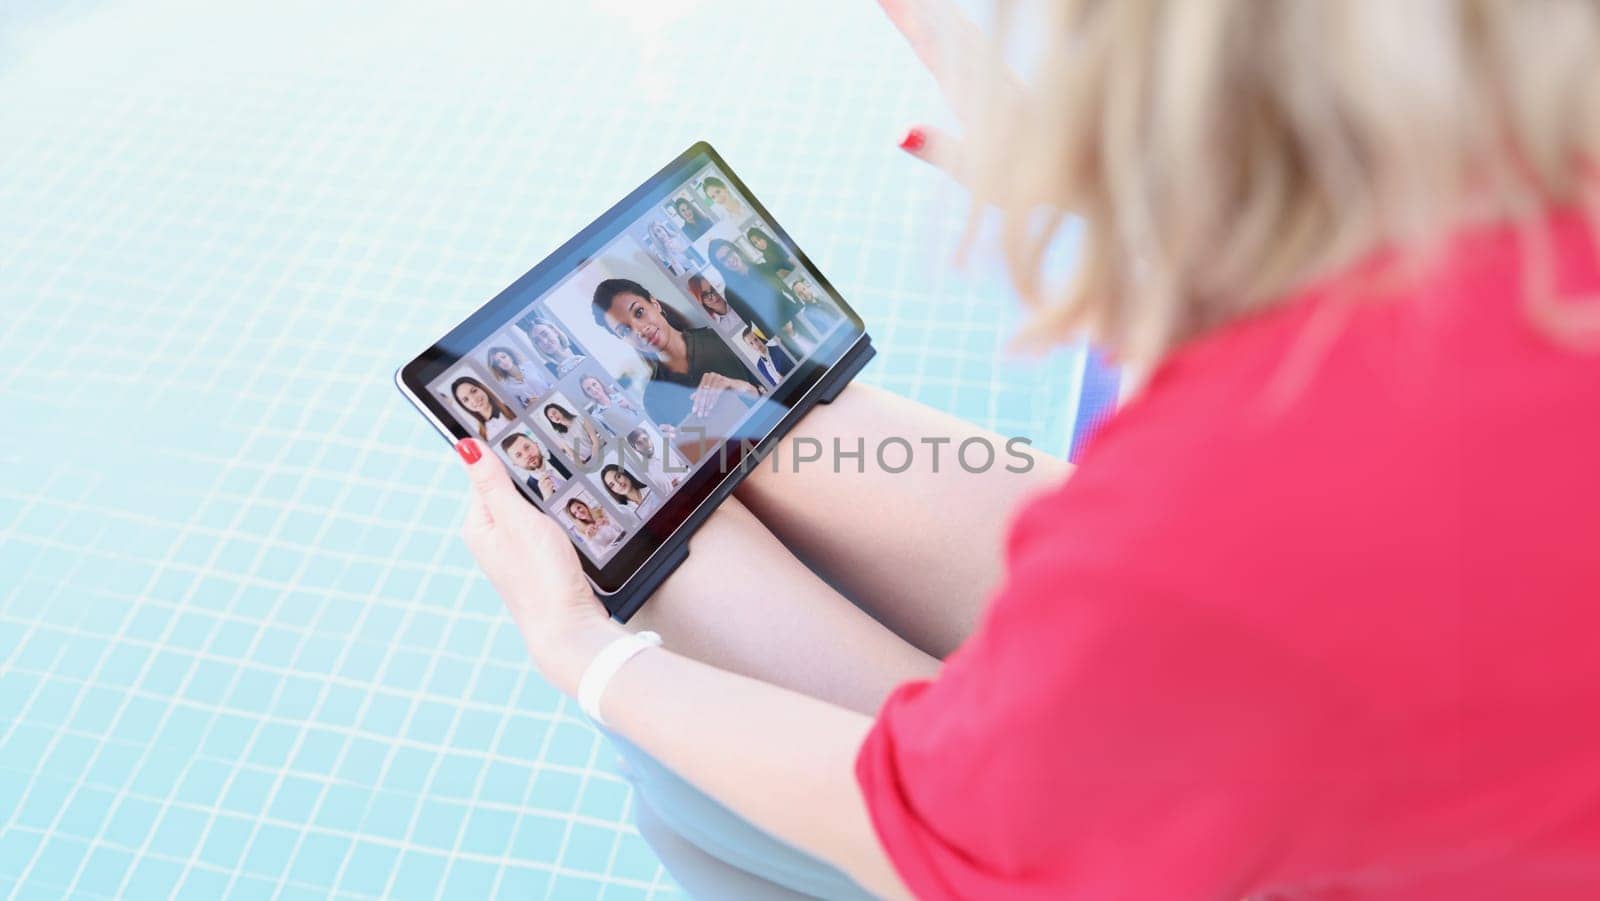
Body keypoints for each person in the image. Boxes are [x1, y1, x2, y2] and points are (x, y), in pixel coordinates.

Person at [451, 2, 1600, 899]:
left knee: (677, 648)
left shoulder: (1224, 508)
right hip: (1444, 725)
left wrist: (585, 656)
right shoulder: (1537, 214)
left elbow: (935, 829)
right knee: (808, 443)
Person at [589, 277, 764, 426]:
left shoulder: (723, 337)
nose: (640, 330)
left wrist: (745, 389)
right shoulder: (653, 401)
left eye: (639, 312)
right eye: (625, 331)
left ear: (655, 304)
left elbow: (782, 394)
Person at [707, 238, 810, 357]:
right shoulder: (731, 294)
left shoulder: (764, 268)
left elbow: (789, 286)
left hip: (801, 319)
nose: (730, 259)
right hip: (782, 338)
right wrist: (776, 337)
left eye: (730, 253)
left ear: (736, 251)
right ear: (720, 266)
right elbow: (751, 325)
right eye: (723, 260)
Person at [498, 431, 570, 501]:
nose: (527, 455)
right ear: (515, 463)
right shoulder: (528, 492)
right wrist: (547, 499)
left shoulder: (560, 455)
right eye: (519, 455)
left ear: (536, 445)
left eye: (527, 447)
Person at [484, 344, 553, 409]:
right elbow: (519, 409)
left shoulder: (531, 365)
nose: (503, 362)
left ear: (510, 356)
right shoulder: (507, 387)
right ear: (497, 367)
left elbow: (552, 383)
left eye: (504, 357)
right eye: (498, 362)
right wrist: (528, 405)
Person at [623, 424, 688, 492]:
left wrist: (680, 480)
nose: (646, 444)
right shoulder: (646, 474)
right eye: (639, 443)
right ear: (635, 449)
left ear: (650, 438)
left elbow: (688, 466)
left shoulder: (669, 450)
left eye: (645, 439)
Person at [449, 376, 515, 440]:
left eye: (474, 391)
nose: (474, 400)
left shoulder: (513, 409)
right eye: (466, 400)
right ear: (464, 406)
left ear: (482, 388)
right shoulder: (481, 436)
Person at [541, 401, 605, 468]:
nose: (554, 417)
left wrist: (593, 457)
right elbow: (571, 453)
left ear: (560, 410)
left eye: (554, 413)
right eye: (551, 417)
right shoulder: (560, 435)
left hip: (600, 451)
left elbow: (595, 439)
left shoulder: (580, 419)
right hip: (587, 461)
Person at [578, 373, 642, 437]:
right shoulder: (595, 416)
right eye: (588, 389)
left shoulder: (621, 395)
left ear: (600, 383)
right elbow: (610, 435)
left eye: (594, 384)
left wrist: (631, 406)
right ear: (587, 394)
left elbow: (642, 413)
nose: (594, 390)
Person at [687, 273, 747, 339]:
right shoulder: (713, 328)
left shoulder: (740, 300)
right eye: (705, 294)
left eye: (713, 289)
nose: (714, 297)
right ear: (700, 300)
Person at [521, 317, 586, 378]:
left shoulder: (580, 347)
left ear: (555, 332)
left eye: (545, 334)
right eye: (538, 341)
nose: (544, 342)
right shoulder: (547, 371)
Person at [739, 324, 794, 388]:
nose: (756, 345)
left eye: (756, 339)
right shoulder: (759, 366)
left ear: (760, 337)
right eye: (751, 343)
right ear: (749, 346)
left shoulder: (779, 348)